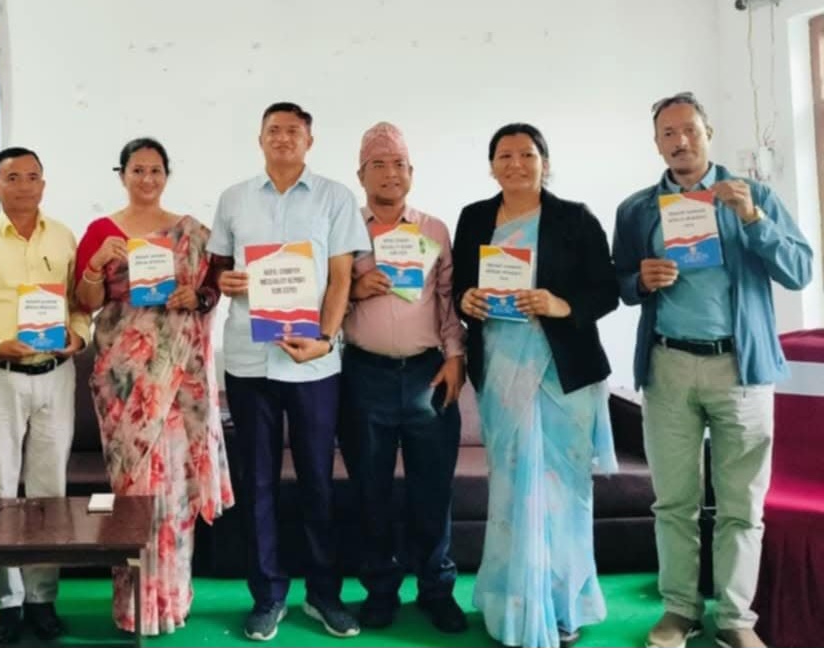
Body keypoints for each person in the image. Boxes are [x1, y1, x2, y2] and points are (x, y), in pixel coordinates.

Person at [612, 93, 813, 648]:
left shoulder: (754, 196)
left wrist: (753, 218)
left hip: (741, 369)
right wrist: (640, 280)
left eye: (690, 130)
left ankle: (735, 619)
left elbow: (799, 272)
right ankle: (679, 610)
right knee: (673, 503)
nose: (680, 141)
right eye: (668, 133)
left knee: (742, 506)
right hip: (668, 366)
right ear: (657, 143)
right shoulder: (637, 209)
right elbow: (619, 282)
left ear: (708, 133)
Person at [205, 102, 370, 641]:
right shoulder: (233, 199)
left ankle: (324, 595)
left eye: (293, 131)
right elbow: (218, 272)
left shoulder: (334, 198)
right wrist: (225, 282)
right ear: (260, 139)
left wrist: (325, 338)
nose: (283, 138)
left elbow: (341, 278)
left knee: (318, 481)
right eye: (273, 130)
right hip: (249, 361)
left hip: (314, 363)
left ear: (309, 141)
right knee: (256, 483)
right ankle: (268, 595)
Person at [451, 123, 619, 648]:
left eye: (527, 154)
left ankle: (564, 605)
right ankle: (513, 603)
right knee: (511, 490)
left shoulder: (575, 218)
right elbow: (459, 285)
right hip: (502, 370)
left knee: (566, 493)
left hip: (563, 374)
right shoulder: (474, 218)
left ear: (545, 162)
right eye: (505, 155)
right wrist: (467, 300)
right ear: (491, 166)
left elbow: (607, 290)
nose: (516, 164)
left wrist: (560, 304)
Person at [73, 137, 235, 635]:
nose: (147, 178)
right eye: (137, 170)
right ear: (121, 174)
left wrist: (196, 296)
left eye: (155, 170)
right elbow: (85, 301)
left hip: (178, 378)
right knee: (133, 489)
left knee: (175, 489)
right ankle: (133, 603)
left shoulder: (192, 232)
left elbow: (215, 287)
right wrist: (96, 264)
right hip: (124, 381)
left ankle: (171, 598)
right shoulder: (102, 231)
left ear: (167, 175)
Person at [0, 146, 90, 645]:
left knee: (50, 492)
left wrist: (78, 337)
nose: (24, 185)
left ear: (43, 185)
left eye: (33, 176)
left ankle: (42, 598)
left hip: (56, 374)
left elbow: (79, 307)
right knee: (0, 491)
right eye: (13, 177)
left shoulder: (64, 236)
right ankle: (7, 603)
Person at [338, 122, 468, 633]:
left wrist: (455, 357)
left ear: (411, 172)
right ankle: (380, 590)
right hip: (363, 374)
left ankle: (437, 589)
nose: (390, 173)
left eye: (399, 164)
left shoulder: (433, 229)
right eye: (378, 165)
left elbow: (448, 300)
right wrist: (354, 290)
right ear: (361, 175)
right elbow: (321, 298)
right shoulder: (344, 230)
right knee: (370, 493)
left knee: (432, 492)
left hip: (427, 373)